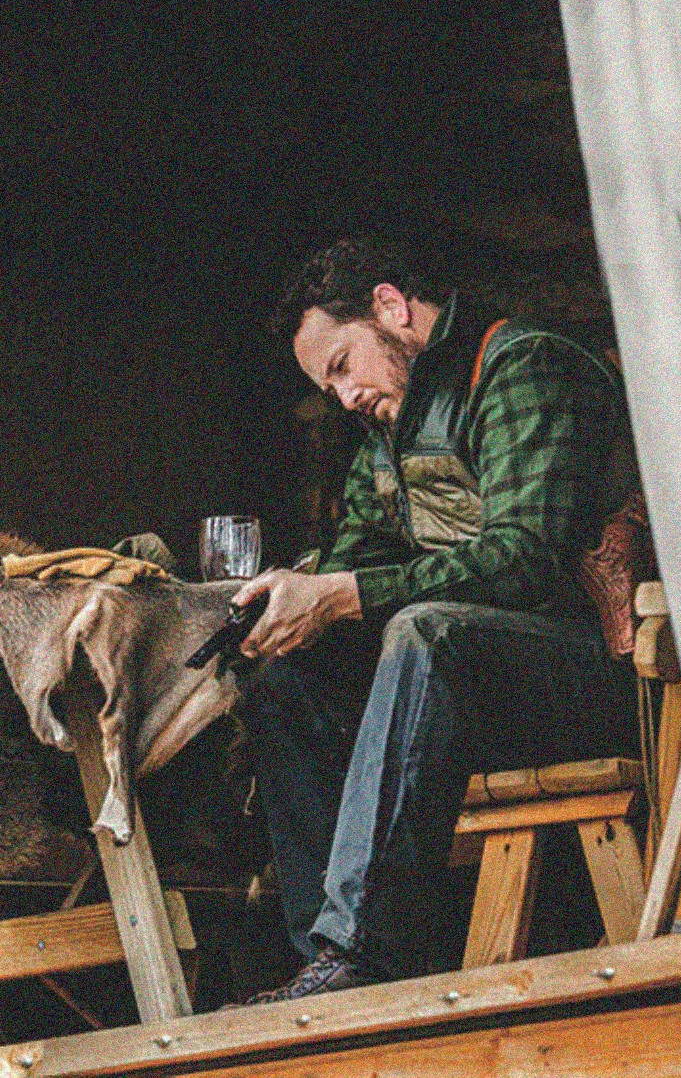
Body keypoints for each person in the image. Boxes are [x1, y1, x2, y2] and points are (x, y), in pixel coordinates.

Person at [230, 235, 642, 1002]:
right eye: (328, 388)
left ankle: (359, 949)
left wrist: (349, 595)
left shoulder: (522, 367)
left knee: (424, 634)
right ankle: (324, 959)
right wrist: (300, 596)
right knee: (286, 676)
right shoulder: (383, 437)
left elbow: (523, 560)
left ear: (391, 307)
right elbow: (354, 561)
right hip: (459, 699)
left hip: (586, 678)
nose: (343, 396)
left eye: (343, 365)